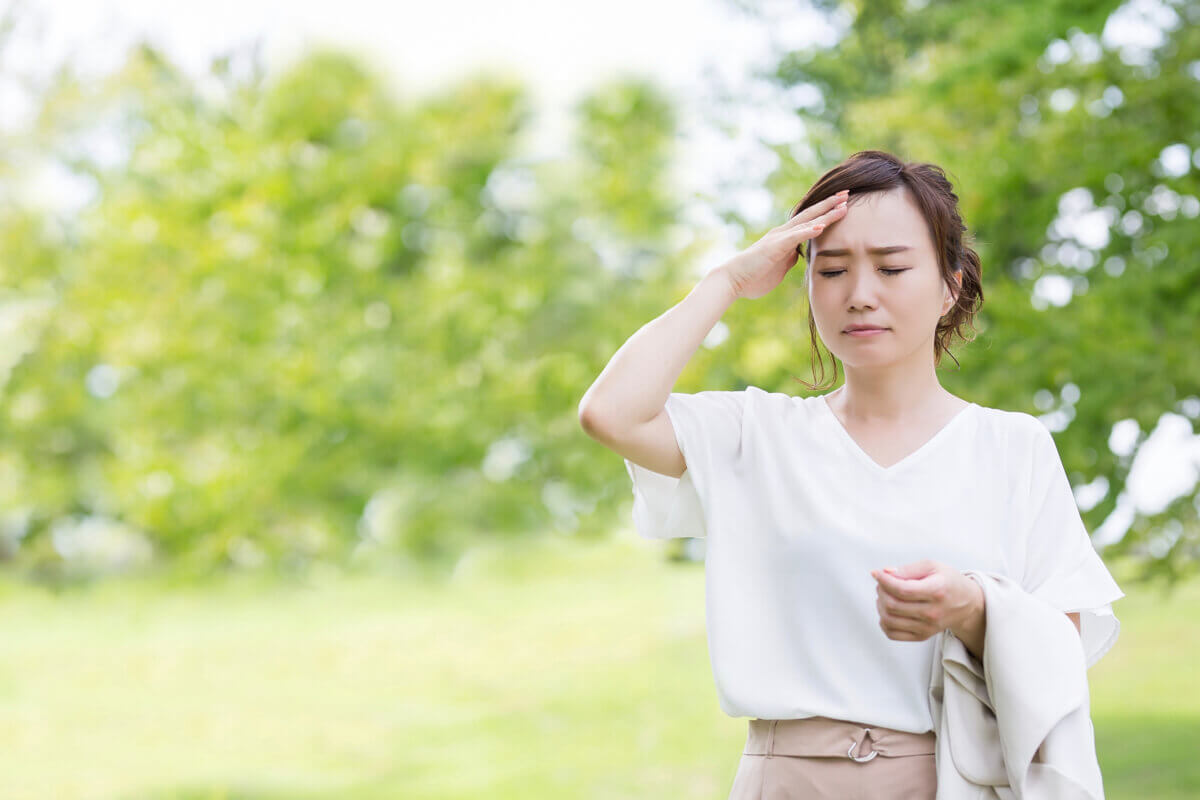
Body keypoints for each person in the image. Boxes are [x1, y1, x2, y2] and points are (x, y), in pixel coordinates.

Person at [578, 150, 1124, 800]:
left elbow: (1065, 646)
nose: (859, 294)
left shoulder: (1012, 446)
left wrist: (972, 608)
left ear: (951, 285)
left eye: (892, 267)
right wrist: (726, 281)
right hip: (785, 781)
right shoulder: (757, 435)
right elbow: (611, 413)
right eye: (831, 269)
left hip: (951, 780)